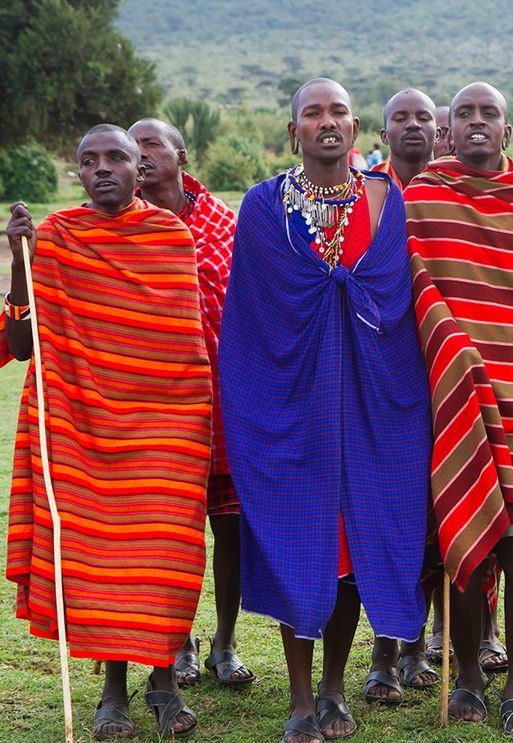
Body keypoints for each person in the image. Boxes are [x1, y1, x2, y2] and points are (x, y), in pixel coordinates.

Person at [219, 78, 432, 742]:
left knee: (350, 546)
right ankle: (302, 698)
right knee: (298, 540)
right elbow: (254, 317)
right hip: (290, 406)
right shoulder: (263, 207)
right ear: (294, 132)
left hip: (374, 405)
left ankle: (337, 686)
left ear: (357, 125)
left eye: (338, 110)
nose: (327, 121)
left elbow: (398, 303)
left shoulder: (387, 200)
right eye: (312, 113)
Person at [4, 124, 212, 740]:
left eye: (117, 157)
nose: (103, 169)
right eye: (89, 160)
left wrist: (171, 419)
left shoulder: (170, 237)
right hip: (83, 428)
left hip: (165, 428)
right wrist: (20, 261)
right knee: (100, 561)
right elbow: (20, 343)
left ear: (140, 166)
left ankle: (165, 681)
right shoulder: (59, 238)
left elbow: (182, 346)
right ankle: (113, 692)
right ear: (77, 171)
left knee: (163, 556)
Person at [405, 81, 513, 739]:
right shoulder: (422, 197)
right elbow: (414, 286)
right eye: (466, 113)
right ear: (450, 128)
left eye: (491, 114)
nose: (478, 122)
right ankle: (469, 679)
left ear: (508, 131)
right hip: (454, 390)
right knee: (466, 535)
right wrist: (456, 351)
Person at [128, 117, 254, 689]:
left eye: (151, 143)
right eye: (133, 147)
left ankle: (224, 643)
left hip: (228, 407)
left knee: (229, 528)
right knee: (168, 533)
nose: (140, 154)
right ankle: (176, 640)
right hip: (155, 411)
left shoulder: (229, 223)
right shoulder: (119, 227)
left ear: (181, 154)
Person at [364, 87, 440, 701]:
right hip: (380, 376)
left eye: (423, 118)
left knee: (440, 517)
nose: (412, 126)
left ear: (438, 131)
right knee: (388, 513)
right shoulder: (363, 195)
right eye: (401, 118)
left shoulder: (452, 194)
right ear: (383, 131)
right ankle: (383, 650)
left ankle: (420, 645)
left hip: (445, 374)